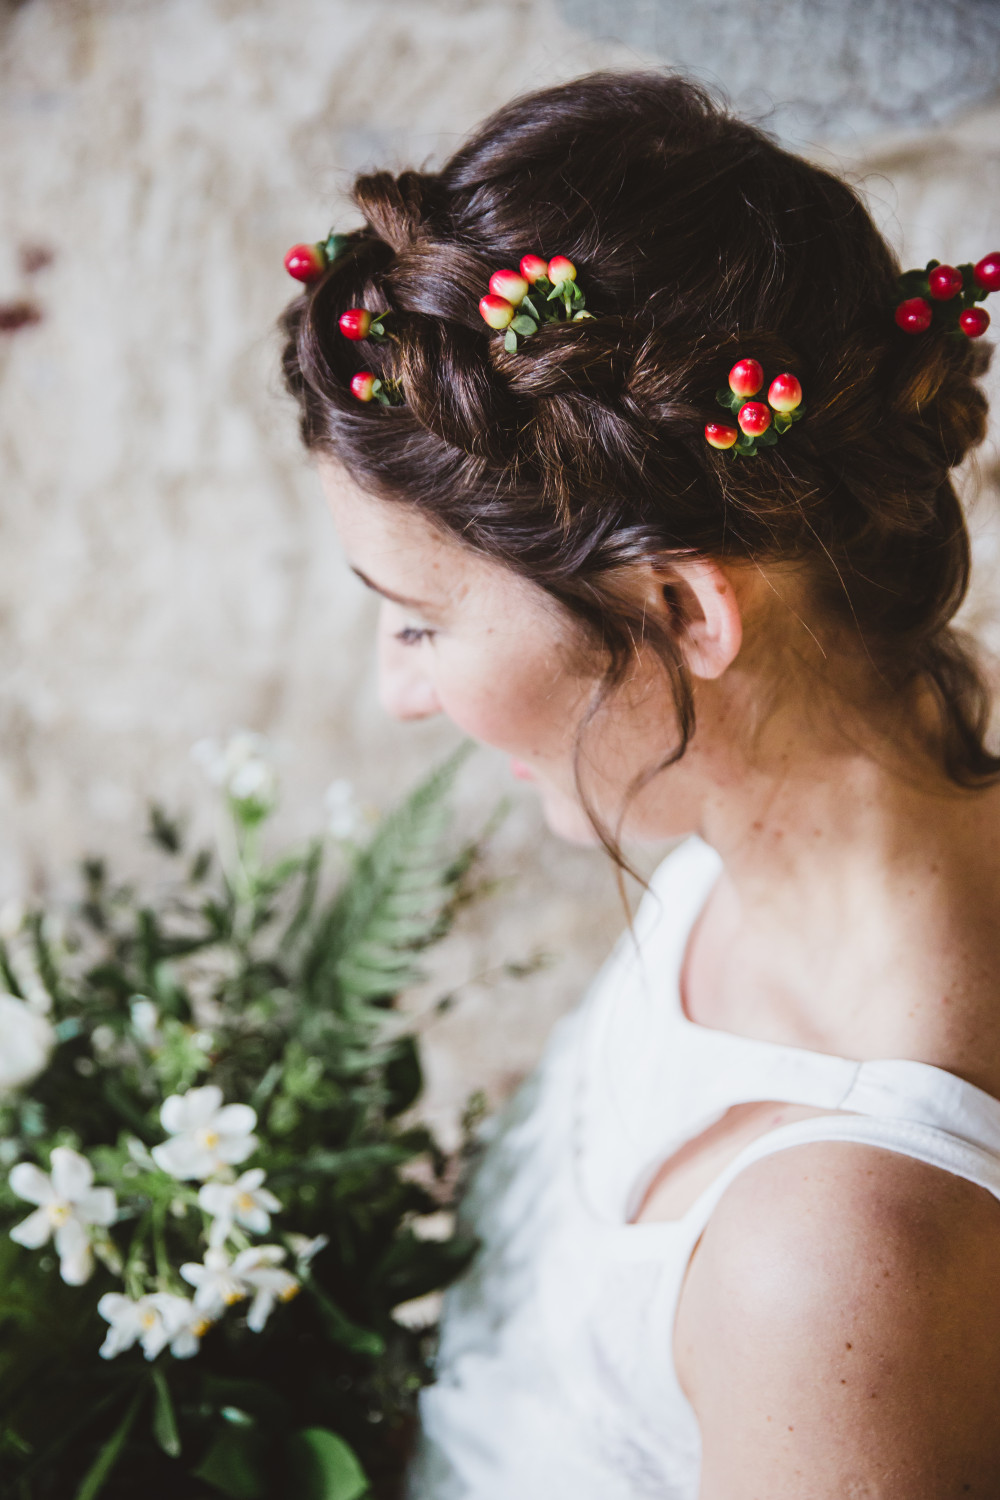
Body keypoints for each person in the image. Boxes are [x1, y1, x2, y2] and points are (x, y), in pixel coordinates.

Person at [280, 71, 1000, 1498]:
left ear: (682, 614)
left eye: (421, 618)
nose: (397, 689)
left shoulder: (830, 1270)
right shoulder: (758, 841)